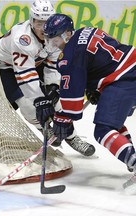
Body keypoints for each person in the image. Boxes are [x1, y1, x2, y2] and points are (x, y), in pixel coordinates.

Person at [42, 13, 136, 191]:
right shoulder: (85, 31)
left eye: (54, 40)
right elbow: (99, 60)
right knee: (112, 123)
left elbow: (73, 103)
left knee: (103, 129)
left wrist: (62, 119)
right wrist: (94, 87)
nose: (52, 44)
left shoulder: (70, 55)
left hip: (124, 79)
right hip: (129, 69)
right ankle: (132, 161)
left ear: (67, 34)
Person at [0, 0, 95, 156]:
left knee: (57, 101)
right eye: (38, 23)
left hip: (35, 63)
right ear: (31, 21)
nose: (42, 28)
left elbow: (51, 64)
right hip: (5, 68)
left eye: (46, 22)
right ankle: (45, 129)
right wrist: (39, 100)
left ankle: (72, 137)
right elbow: (24, 73)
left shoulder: (54, 33)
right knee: (29, 106)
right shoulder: (22, 38)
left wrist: (52, 87)